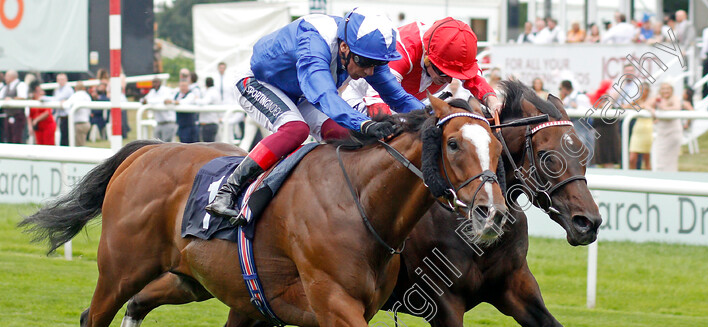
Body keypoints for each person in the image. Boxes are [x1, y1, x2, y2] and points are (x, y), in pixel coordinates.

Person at [205, 8, 424, 223]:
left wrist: (436, 114)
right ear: (345, 47)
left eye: (379, 64)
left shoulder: (364, 52)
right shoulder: (314, 42)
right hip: (256, 81)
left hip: (300, 92)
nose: (370, 72)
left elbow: (399, 98)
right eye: (366, 63)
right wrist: (365, 124)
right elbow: (325, 96)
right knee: (295, 130)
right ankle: (228, 191)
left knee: (343, 133)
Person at [342, 17, 504, 117]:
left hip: (411, 107)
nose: (447, 80)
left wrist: (493, 102)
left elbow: (474, 79)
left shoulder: (453, 50)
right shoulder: (404, 48)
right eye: (443, 72)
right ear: (427, 56)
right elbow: (377, 102)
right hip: (362, 98)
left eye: (453, 75)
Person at [651, 82, 692, 172]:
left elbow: (677, 107)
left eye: (667, 88)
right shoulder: (657, 99)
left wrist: (664, 109)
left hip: (673, 132)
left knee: (670, 159)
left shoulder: (675, 98)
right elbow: (646, 104)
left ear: (671, 90)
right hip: (662, 132)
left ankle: (670, 178)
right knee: (660, 157)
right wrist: (652, 110)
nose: (665, 91)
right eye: (663, 88)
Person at [625, 85, 654, 170]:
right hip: (638, 128)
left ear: (648, 91)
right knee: (632, 159)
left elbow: (643, 106)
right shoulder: (638, 100)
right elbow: (628, 106)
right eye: (640, 89)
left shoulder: (651, 99)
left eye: (643, 89)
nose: (641, 91)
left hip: (647, 128)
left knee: (646, 159)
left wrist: (632, 107)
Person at [141, 77, 177, 142]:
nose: (154, 84)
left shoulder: (166, 90)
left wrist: (148, 101)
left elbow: (163, 100)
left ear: (160, 83)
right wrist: (146, 101)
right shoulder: (152, 92)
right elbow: (143, 100)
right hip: (159, 123)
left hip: (168, 122)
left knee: (166, 146)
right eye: (153, 83)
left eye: (155, 82)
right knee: (156, 144)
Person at [2, 70, 28, 144]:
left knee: (17, 138)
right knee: (8, 138)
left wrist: (12, 99)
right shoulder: (6, 87)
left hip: (18, 116)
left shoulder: (21, 85)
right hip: (8, 115)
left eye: (6, 76)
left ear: (12, 77)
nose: (5, 78)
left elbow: (23, 97)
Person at [28, 81, 56, 145]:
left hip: (47, 125)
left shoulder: (44, 99)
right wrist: (30, 126)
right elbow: (29, 115)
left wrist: (36, 120)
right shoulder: (32, 101)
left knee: (48, 145)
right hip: (38, 127)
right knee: (39, 145)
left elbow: (47, 112)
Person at [66, 82, 93, 146]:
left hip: (79, 124)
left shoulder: (75, 95)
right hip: (86, 122)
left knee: (79, 145)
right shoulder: (87, 96)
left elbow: (66, 105)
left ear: (75, 88)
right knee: (82, 143)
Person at [52, 73, 74, 145]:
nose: (60, 81)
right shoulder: (58, 89)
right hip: (61, 116)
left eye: (62, 79)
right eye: (59, 79)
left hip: (67, 116)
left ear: (66, 80)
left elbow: (57, 99)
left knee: (66, 136)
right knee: (62, 134)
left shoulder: (68, 89)